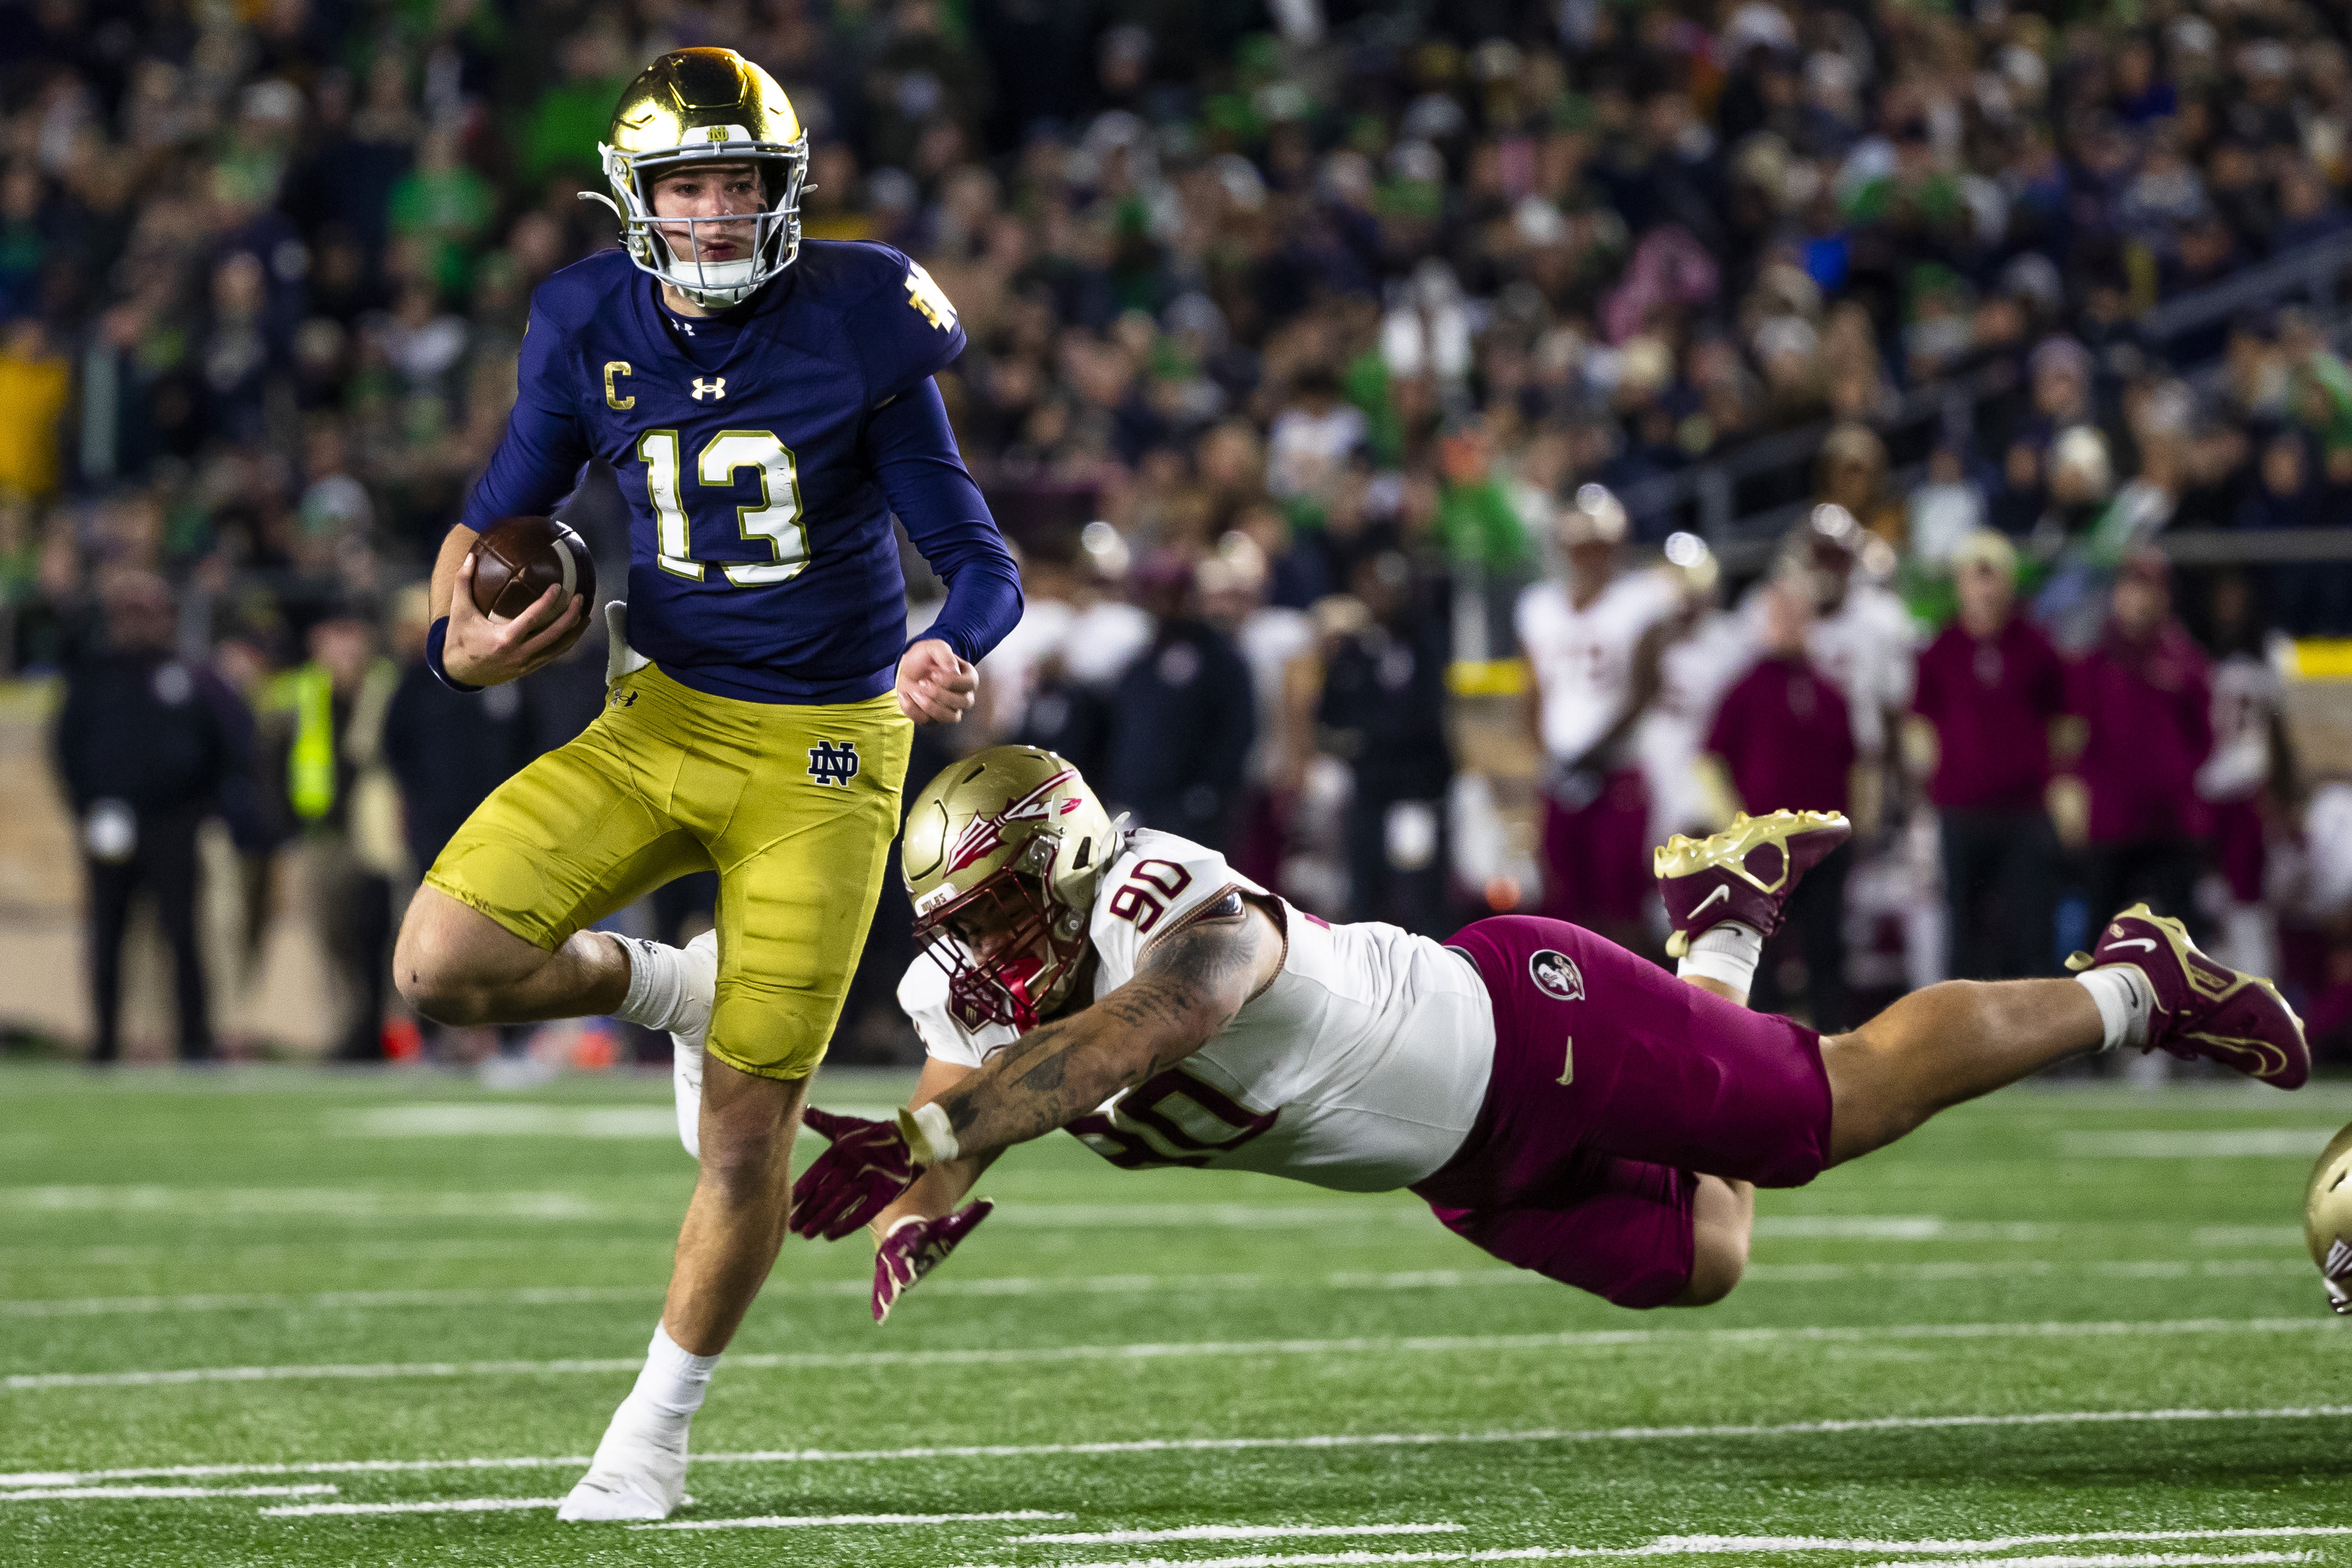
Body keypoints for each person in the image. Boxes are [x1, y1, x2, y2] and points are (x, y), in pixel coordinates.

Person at [385, 48, 1021, 1523]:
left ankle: (647, 1439)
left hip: (825, 752)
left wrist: (950, 648)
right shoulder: (582, 320)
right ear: (639, 202)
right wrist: (457, 648)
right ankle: (671, 988)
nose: (720, 212)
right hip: (655, 714)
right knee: (443, 962)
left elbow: (980, 555)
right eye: (690, 186)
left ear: (784, 193)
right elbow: (494, 527)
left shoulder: (864, 314)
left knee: (748, 1136)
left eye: (742, 183)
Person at [780, 745, 2306, 1338]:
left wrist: (943, 1141)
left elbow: (1141, 1029)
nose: (978, 961)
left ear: (1067, 871)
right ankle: (1717, 920)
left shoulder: (1162, 900)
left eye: (997, 919)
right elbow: (956, 1089)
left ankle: (2128, 983)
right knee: (1706, 1255)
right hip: (1457, 1165)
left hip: (1518, 1031)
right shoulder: (980, 982)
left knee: (1824, 1113)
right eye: (959, 931)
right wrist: (924, 1198)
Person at [52, 571, 249, 1063]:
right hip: (110, 822)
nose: (137, 623)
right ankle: (104, 1040)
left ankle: (194, 1039)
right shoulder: (94, 676)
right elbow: (67, 747)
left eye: (147, 612)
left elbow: (223, 744)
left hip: (174, 821)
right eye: (128, 613)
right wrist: (86, 805)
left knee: (183, 933)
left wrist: (201, 806)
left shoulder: (188, 675)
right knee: (108, 933)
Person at [1515, 484, 1678, 948]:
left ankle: (1620, 1013)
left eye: (1599, 545)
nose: (1589, 557)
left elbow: (1646, 687)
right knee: (1560, 903)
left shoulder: (1640, 601)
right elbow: (1533, 692)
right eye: (1581, 545)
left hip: (1615, 770)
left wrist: (1590, 753)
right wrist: (1547, 758)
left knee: (1619, 903)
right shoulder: (1539, 607)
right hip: (1561, 775)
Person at [1909, 532, 2068, 980]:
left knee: (2031, 928)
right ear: (1959, 585)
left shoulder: (2037, 646)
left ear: (2009, 583)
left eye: (1992, 577)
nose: (1984, 589)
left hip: (2025, 810)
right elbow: (1920, 723)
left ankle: (2038, 1042)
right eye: (1973, 578)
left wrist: (2056, 784)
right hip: (1961, 809)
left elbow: (2063, 721)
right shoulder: (1941, 649)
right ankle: (1966, 1042)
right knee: (1964, 931)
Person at [1703, 580, 1858, 1029]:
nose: (1790, 625)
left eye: (1796, 615)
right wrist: (1734, 827)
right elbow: (1712, 760)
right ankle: (1760, 1040)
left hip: (1823, 840)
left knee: (1826, 944)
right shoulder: (1746, 688)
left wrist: (1857, 824)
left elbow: (1853, 760)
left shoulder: (1827, 689)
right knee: (1760, 950)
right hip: (1765, 844)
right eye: (1780, 615)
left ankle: (1831, 1038)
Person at [2054, 552, 2211, 930]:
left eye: (2148, 589)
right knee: (2100, 935)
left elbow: (2203, 738)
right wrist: (2072, 793)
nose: (2139, 598)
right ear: (2117, 595)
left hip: (2172, 821)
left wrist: (2177, 781)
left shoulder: (2186, 662)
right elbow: (2071, 737)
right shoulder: (2094, 663)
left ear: (2164, 597)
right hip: (2112, 822)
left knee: (2183, 941)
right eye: (2131, 588)